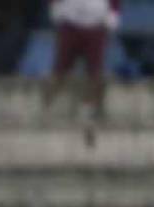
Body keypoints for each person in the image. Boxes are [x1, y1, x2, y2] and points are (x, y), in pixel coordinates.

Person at [43, 0, 121, 144]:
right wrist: (55, 9)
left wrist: (113, 15)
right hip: (70, 22)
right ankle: (44, 110)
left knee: (96, 75)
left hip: (96, 24)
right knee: (59, 72)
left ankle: (89, 116)